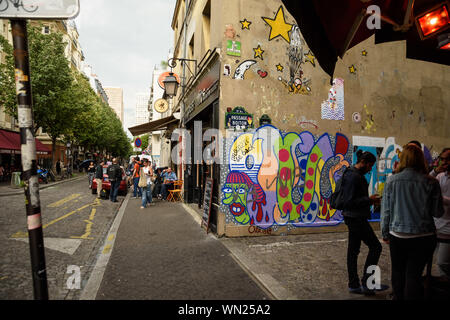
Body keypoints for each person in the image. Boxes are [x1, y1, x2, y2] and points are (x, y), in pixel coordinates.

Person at [381, 145, 444, 300]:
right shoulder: (431, 182)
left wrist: (385, 233)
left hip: (398, 235)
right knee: (414, 275)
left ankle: (398, 296)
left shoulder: (391, 181)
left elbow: (386, 211)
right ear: (421, 160)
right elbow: (438, 212)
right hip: (424, 235)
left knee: (397, 271)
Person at [340, 150, 384, 295]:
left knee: (353, 251)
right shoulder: (354, 176)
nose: (370, 169)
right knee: (376, 247)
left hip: (353, 217)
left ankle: (354, 284)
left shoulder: (353, 173)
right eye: (370, 166)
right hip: (356, 218)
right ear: (363, 162)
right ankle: (368, 283)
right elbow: (349, 201)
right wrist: (369, 200)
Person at [430, 148, 450, 280]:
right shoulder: (440, 175)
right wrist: (435, 171)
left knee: (443, 262)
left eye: (447, 159)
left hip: (448, 228)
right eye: (442, 159)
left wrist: (439, 198)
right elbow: (425, 182)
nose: (444, 162)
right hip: (435, 225)